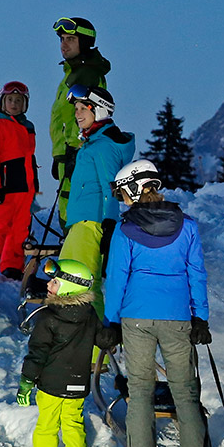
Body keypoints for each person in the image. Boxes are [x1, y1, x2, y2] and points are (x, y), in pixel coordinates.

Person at [100, 159, 214, 447]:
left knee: (140, 393)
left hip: (136, 319)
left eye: (123, 193)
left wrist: (111, 320)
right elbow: (197, 275)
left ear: (135, 189)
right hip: (178, 319)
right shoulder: (187, 226)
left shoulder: (125, 230)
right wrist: (200, 317)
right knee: (186, 395)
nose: (121, 199)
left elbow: (117, 278)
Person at [16, 258, 116, 447]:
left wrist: (26, 382)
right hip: (77, 385)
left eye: (55, 281)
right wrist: (116, 333)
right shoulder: (89, 314)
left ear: (69, 287)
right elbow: (104, 339)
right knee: (73, 427)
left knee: (47, 428)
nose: (49, 284)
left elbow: (37, 353)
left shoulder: (49, 316)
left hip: (51, 386)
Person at [57, 84, 135, 303]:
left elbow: (110, 186)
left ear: (99, 110)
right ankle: (79, 334)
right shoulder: (92, 144)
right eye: (76, 109)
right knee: (67, 280)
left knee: (84, 283)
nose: (77, 114)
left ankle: (99, 336)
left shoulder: (103, 146)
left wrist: (109, 224)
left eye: (83, 108)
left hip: (92, 223)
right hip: (80, 222)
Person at [0, 81, 39, 279]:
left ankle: (12, 265)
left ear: (25, 104)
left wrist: (33, 183)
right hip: (6, 186)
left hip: (24, 186)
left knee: (20, 228)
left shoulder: (27, 126)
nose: (14, 104)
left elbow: (29, 157)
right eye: (10, 100)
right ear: (2, 101)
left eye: (18, 100)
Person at [50, 17, 111, 215]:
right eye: (62, 39)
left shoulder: (86, 75)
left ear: (83, 43)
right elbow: (63, 118)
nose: (63, 45)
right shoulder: (73, 73)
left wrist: (76, 152)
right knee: (68, 206)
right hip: (67, 153)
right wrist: (58, 153)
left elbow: (87, 115)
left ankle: (76, 245)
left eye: (70, 39)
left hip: (77, 153)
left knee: (75, 208)